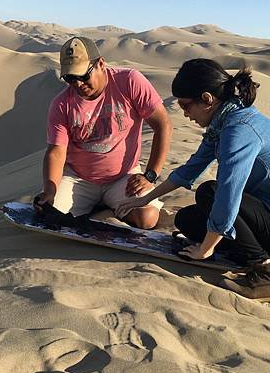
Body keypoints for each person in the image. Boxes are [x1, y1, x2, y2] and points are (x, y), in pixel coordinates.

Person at [118, 59, 270, 305]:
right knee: (188, 220)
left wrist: (205, 249)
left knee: (210, 192)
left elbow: (228, 193)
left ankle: (267, 273)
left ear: (207, 99)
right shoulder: (222, 125)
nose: (184, 113)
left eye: (186, 105)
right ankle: (244, 252)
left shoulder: (239, 131)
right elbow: (189, 170)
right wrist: (145, 199)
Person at [35, 37, 173, 229]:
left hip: (123, 177)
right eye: (70, 78)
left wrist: (150, 175)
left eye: (83, 76)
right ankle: (98, 207)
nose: (78, 84)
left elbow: (163, 124)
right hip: (79, 179)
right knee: (50, 215)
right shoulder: (61, 103)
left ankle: (105, 208)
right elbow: (56, 151)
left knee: (147, 218)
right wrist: (50, 190)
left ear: (100, 63)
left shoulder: (129, 82)